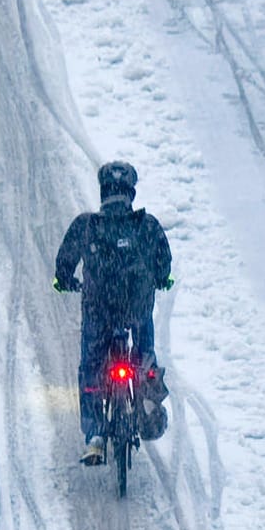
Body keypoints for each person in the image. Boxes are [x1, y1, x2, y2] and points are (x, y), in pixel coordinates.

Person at [53, 161, 173, 465]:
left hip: (99, 310)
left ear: (103, 190)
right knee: (145, 355)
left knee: (91, 368)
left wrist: (64, 280)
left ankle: (94, 436)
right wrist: (161, 278)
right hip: (137, 309)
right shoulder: (147, 225)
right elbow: (163, 260)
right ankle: (147, 393)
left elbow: (65, 260)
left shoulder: (87, 225)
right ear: (131, 192)